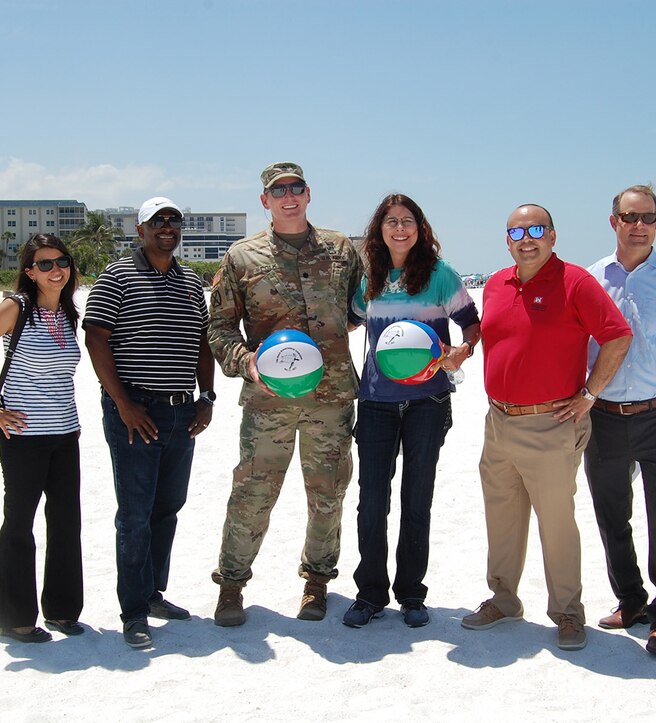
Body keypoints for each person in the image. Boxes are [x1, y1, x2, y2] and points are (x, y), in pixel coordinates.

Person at [461, 203, 632, 651]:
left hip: (552, 424)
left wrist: (590, 394)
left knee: (556, 524)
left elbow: (617, 336)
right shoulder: (496, 284)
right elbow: (492, 336)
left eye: (537, 229)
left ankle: (568, 613)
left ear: (553, 236)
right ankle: (503, 598)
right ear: (507, 240)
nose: (526, 238)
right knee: (502, 518)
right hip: (497, 421)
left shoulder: (576, 281)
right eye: (517, 231)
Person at [207, 162, 363, 627]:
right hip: (268, 400)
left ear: (308, 194)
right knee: (252, 493)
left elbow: (361, 306)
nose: (288, 197)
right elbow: (219, 327)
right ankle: (231, 585)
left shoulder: (340, 249)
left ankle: (317, 582)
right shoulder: (242, 257)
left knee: (328, 495)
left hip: (331, 397)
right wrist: (246, 361)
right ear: (265, 201)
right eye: (279, 191)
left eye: (296, 188)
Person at [341, 194, 481, 629]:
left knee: (416, 499)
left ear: (420, 227)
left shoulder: (440, 274)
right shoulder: (370, 277)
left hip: (428, 401)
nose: (399, 229)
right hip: (377, 401)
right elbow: (349, 320)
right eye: (391, 221)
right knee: (371, 502)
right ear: (378, 229)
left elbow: (472, 323)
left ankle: (412, 594)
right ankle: (369, 593)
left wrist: (464, 351)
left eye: (408, 221)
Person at [83, 197, 215, 649]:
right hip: (135, 411)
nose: (166, 227)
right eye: (156, 221)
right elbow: (96, 340)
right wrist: (122, 404)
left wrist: (207, 396)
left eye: (174, 220)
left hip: (182, 411)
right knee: (135, 515)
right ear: (139, 230)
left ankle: (154, 593)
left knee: (167, 508)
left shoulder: (191, 281)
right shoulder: (117, 275)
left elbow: (202, 342)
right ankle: (134, 611)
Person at [583, 185, 656, 657]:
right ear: (613, 221)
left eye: (648, 218)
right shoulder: (589, 279)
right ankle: (630, 600)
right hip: (605, 417)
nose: (639, 225)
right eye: (630, 217)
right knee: (612, 516)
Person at [0, 234, 84, 643]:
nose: (55, 269)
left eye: (61, 261)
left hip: (66, 432)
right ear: (30, 271)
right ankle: (15, 618)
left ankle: (62, 611)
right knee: (19, 523)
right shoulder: (15, 307)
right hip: (23, 436)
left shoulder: (67, 311)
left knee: (66, 523)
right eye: (45, 264)